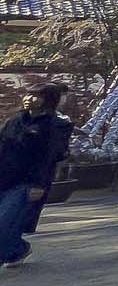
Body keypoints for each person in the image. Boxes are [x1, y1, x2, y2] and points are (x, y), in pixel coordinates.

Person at [0, 84, 70, 269]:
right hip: (5, 177)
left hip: (27, 181)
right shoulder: (14, 121)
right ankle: (17, 250)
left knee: (6, 219)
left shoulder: (56, 124)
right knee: (9, 222)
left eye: (35, 96)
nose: (28, 98)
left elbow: (50, 156)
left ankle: (12, 251)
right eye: (28, 94)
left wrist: (38, 184)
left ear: (48, 100)